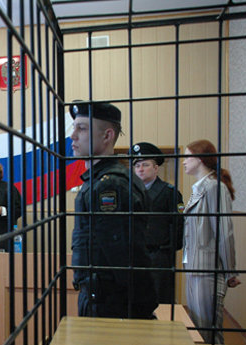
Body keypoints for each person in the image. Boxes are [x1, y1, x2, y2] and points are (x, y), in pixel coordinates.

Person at [69, 101, 157, 318]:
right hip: (102, 295)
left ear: (107, 136)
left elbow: (122, 253)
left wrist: (140, 307)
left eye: (82, 128)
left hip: (110, 301)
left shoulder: (110, 185)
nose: (73, 136)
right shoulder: (103, 179)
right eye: (74, 128)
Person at [183, 139, 241, 344]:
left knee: (208, 330)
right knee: (199, 327)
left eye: (187, 157)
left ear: (200, 159)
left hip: (208, 268)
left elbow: (224, 232)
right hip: (194, 266)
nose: (184, 161)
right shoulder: (200, 188)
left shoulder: (214, 188)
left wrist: (230, 271)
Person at [130, 142, 184, 304]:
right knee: (136, 300)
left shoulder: (169, 192)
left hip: (159, 256)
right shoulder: (130, 192)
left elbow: (179, 225)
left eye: (145, 165)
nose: (140, 169)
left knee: (160, 300)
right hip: (134, 255)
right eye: (137, 165)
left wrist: (166, 250)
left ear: (156, 168)